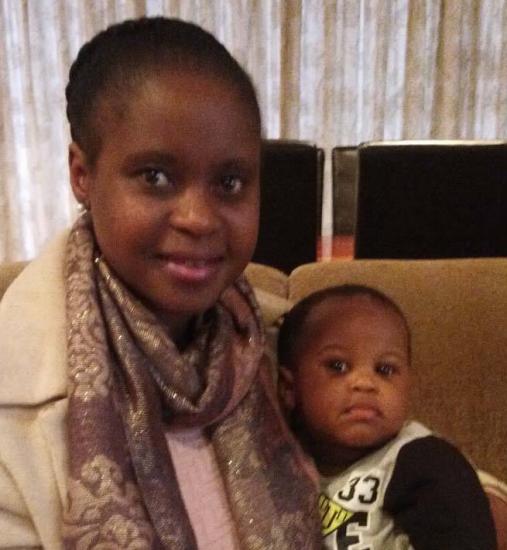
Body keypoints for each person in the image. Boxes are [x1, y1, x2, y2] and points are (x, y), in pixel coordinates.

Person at [0, 17, 322, 549]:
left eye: (230, 182)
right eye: (155, 177)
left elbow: (382, 455)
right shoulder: (18, 391)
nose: (198, 217)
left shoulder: (272, 343)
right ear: (82, 174)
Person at [277, 284, 496, 549]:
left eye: (385, 369)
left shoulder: (423, 460)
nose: (365, 383)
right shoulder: (279, 460)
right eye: (338, 366)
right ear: (289, 388)